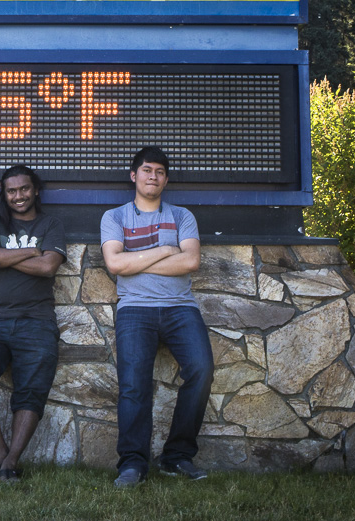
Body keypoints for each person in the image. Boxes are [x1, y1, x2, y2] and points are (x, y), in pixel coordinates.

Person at [100, 147, 213, 487]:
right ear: (133, 175)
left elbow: (190, 262)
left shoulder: (182, 216)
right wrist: (166, 250)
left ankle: (177, 456)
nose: (153, 176)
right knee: (134, 386)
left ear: (165, 178)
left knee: (202, 370)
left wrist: (137, 259)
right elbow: (116, 265)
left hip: (181, 308)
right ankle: (133, 464)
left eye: (160, 171)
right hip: (135, 309)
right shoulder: (115, 217)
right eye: (147, 170)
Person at [0, 165, 67, 482]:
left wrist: (8, 254)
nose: (18, 196)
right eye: (11, 191)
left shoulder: (52, 223)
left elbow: (48, 267)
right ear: (4, 195)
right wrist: (32, 249)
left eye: (24, 189)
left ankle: (11, 462)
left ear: (36, 191)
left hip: (37, 321)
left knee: (31, 392)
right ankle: (0, 455)